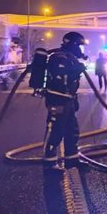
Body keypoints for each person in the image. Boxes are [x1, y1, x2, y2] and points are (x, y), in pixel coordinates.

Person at [41, 31, 88, 171]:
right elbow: (59, 78)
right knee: (55, 130)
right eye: (79, 46)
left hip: (68, 99)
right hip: (57, 99)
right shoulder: (58, 57)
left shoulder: (70, 57)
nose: (80, 49)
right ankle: (49, 162)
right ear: (72, 45)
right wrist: (75, 70)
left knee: (71, 130)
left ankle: (71, 160)